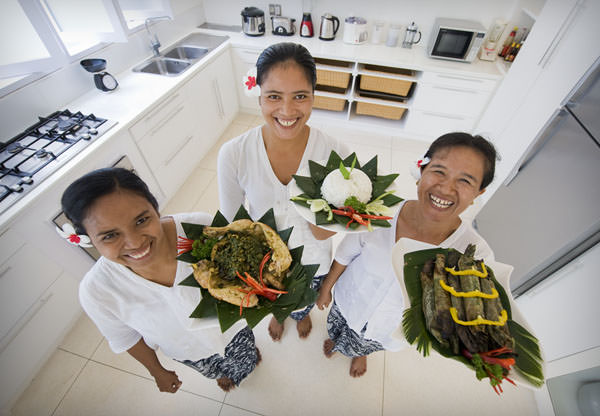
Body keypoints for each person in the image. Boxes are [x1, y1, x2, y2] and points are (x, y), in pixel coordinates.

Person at [60, 168, 260, 393]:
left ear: (155, 209)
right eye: (110, 235)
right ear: (88, 241)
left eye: (142, 220)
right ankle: (220, 374)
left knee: (247, 358)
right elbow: (126, 338)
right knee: (213, 370)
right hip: (188, 352)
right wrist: (157, 371)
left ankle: (246, 363)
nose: (135, 243)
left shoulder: (200, 230)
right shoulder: (98, 292)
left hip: (234, 331)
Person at [316, 132, 498, 377]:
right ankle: (340, 343)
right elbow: (347, 252)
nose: (446, 188)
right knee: (338, 328)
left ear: (479, 193)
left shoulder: (474, 255)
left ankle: (360, 353)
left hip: (388, 329)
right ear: (421, 170)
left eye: (465, 181)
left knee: (367, 344)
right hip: (349, 300)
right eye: (439, 171)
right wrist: (327, 286)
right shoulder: (380, 211)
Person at [218, 42, 349, 341]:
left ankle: (299, 314)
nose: (287, 111)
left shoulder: (336, 153)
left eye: (300, 96)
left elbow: (329, 230)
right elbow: (230, 221)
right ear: (259, 96)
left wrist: (323, 217)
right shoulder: (234, 153)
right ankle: (278, 315)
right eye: (274, 97)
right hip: (261, 262)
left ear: (314, 96)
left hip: (314, 258)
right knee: (274, 301)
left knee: (303, 301)